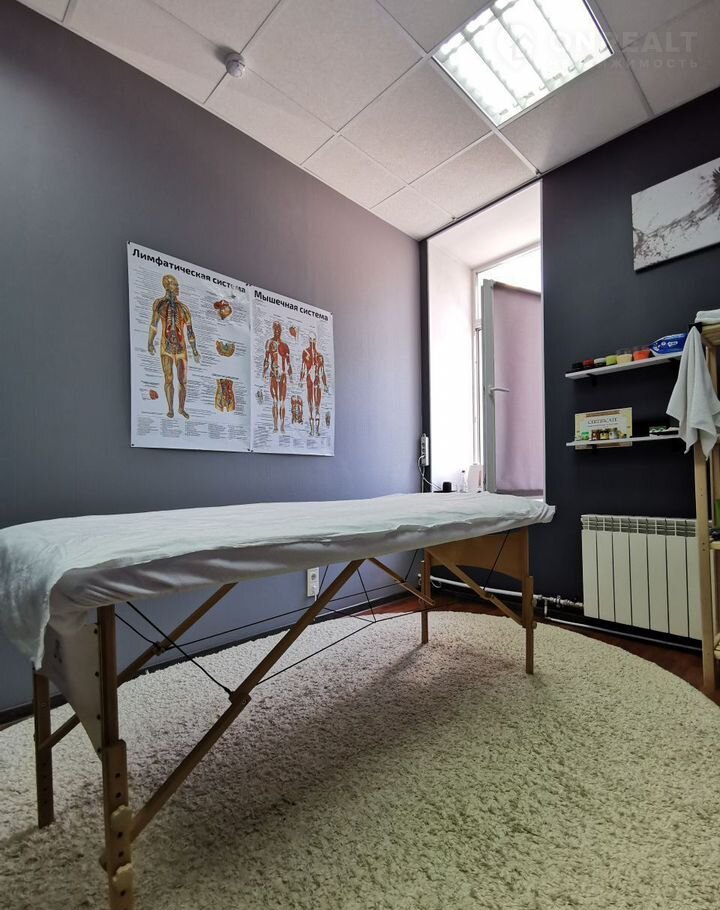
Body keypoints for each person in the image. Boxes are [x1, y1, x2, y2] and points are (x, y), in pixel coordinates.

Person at [147, 275, 200, 419]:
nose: (178, 287)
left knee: (183, 381)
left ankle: (181, 409)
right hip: (166, 347)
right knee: (168, 379)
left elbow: (190, 330)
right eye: (175, 285)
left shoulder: (183, 308)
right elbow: (154, 324)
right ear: (167, 286)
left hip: (181, 349)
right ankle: (170, 409)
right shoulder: (159, 304)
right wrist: (150, 342)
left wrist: (194, 350)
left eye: (177, 285)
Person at [262, 321, 292, 432]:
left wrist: (291, 376)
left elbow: (288, 362)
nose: (277, 331)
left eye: (279, 329)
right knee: (275, 400)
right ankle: (275, 426)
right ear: (273, 329)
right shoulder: (269, 342)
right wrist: (264, 372)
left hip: (283, 374)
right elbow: (266, 359)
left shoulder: (285, 345)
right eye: (275, 329)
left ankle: (282, 426)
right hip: (273, 374)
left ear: (281, 330)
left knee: (282, 401)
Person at [300, 333, 328, 436]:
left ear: (316, 341)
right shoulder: (305, 353)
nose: (312, 342)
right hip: (309, 382)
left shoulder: (320, 356)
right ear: (309, 340)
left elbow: (322, 372)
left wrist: (325, 384)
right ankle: (312, 430)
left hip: (316, 382)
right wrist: (301, 380)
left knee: (317, 406)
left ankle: (317, 430)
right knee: (310, 406)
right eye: (310, 340)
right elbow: (303, 368)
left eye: (314, 340)